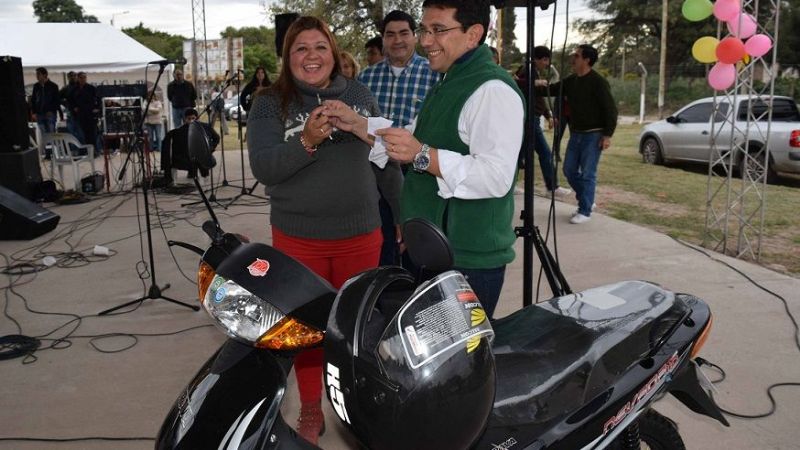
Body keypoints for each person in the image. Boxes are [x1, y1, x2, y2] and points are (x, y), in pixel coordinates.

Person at [246, 16, 402, 444]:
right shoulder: (268, 102)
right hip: (299, 240)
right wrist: (307, 140)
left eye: (320, 47)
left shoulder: (359, 94)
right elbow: (264, 168)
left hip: (362, 234)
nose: (311, 56)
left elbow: (384, 158)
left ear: (333, 52)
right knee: (310, 331)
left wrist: (402, 214)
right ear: (287, 56)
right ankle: (313, 406)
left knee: (356, 328)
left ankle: (358, 404)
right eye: (301, 49)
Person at [325, 0, 524, 320]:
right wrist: (358, 124)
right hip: (438, 252)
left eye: (438, 30)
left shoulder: (492, 90)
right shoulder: (449, 82)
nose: (426, 41)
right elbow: (409, 140)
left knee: (458, 366)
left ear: (473, 34)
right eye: (425, 29)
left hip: (468, 262)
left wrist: (422, 157)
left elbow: (495, 177)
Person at [358, 9, 439, 266]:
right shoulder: (366, 77)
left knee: (418, 241)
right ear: (383, 39)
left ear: (415, 37)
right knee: (382, 240)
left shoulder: (435, 74)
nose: (398, 40)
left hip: (418, 171)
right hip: (376, 172)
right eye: (390, 34)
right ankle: (385, 294)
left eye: (404, 33)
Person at [536, 44, 617, 224]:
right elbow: (552, 89)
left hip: (594, 135)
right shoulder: (572, 81)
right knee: (569, 170)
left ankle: (585, 210)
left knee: (588, 173)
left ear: (587, 60)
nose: (573, 58)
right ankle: (587, 200)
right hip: (577, 134)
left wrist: (607, 135)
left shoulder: (598, 82)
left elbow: (611, 110)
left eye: (577, 55)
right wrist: (530, 85)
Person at [516, 46, 571, 196]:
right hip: (529, 119)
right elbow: (517, 83)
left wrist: (548, 114)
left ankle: (510, 184)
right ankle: (552, 187)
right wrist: (534, 83)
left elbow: (538, 97)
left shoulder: (533, 72)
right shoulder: (528, 71)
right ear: (536, 59)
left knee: (519, 154)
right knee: (545, 153)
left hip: (531, 117)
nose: (546, 63)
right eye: (545, 59)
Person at [161, 108, 219, 186]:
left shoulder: (205, 127)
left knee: (202, 161)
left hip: (202, 155)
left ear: (197, 118)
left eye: (193, 118)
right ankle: (188, 177)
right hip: (186, 157)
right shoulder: (179, 131)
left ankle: (204, 179)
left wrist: (210, 149)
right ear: (184, 119)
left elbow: (216, 138)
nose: (191, 121)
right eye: (189, 119)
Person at [67, 72, 99, 150]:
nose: (83, 79)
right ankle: (83, 150)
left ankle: (93, 150)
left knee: (91, 134)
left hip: (90, 114)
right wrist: (73, 107)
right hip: (79, 115)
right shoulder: (74, 89)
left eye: (84, 77)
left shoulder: (91, 88)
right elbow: (69, 101)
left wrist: (97, 108)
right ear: (78, 78)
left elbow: (97, 99)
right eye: (81, 77)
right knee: (81, 134)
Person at [30, 67, 61, 135]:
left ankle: (53, 145)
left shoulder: (53, 86)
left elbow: (57, 101)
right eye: (36, 74)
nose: (37, 76)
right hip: (39, 114)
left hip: (50, 114)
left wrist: (52, 110)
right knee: (43, 134)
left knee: (51, 133)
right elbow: (33, 99)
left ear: (45, 75)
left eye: (38, 74)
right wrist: (34, 112)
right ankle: (46, 145)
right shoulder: (36, 86)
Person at [59, 71, 84, 142]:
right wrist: (65, 103)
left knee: (81, 132)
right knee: (72, 132)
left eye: (74, 76)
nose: (72, 77)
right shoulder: (66, 88)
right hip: (70, 112)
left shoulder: (80, 87)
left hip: (80, 113)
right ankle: (75, 149)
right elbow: (58, 97)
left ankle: (82, 149)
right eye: (70, 76)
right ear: (68, 78)